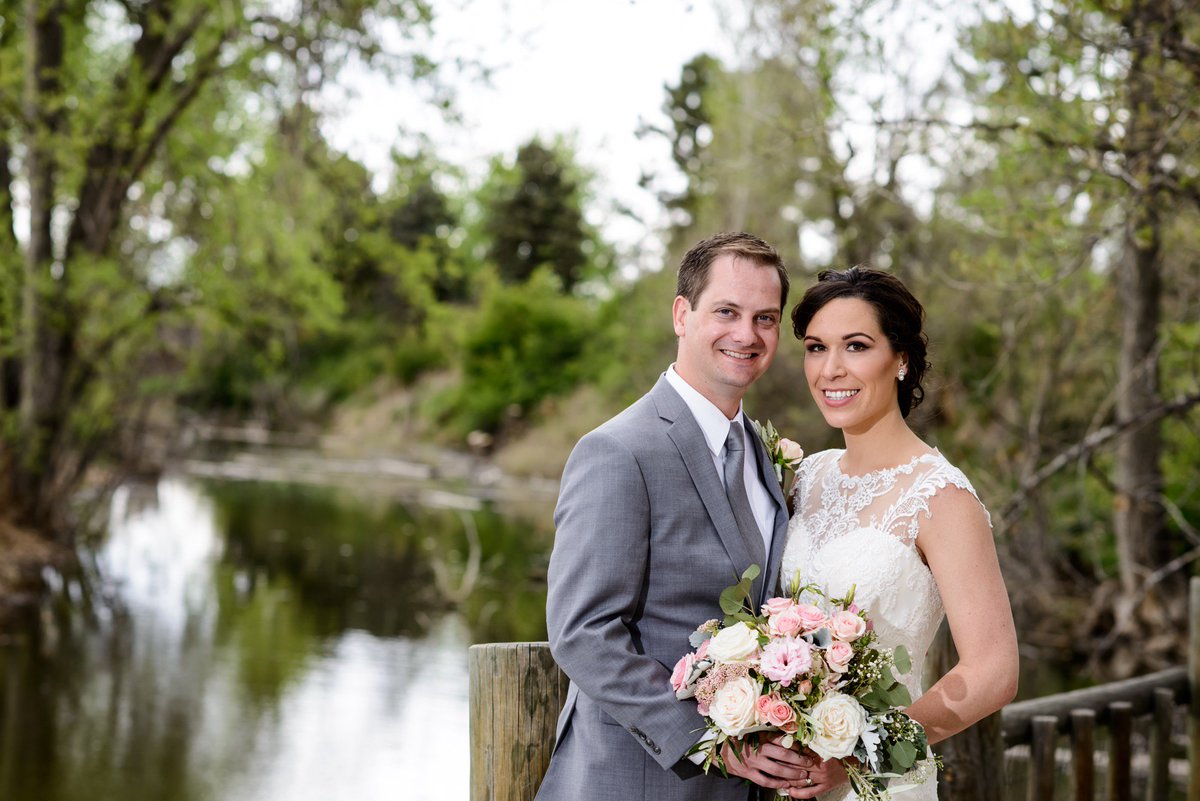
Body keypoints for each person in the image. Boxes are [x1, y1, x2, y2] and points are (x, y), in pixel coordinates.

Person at [535, 232, 811, 801]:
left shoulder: (763, 453)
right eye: (727, 312)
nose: (746, 334)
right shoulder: (618, 451)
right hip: (636, 780)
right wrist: (709, 739)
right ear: (682, 314)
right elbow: (582, 633)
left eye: (765, 318)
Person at [771, 267, 1020, 800]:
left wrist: (859, 753)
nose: (830, 369)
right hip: (788, 781)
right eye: (816, 348)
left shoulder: (941, 497)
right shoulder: (808, 477)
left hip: (877, 784)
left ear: (901, 359)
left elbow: (994, 671)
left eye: (856, 346)